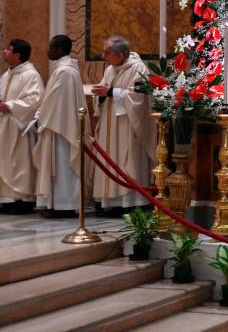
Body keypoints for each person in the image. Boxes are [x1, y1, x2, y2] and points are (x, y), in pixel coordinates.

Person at [91, 36, 155, 213]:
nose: (103, 56)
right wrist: (101, 95)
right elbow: (104, 91)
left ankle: (130, 203)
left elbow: (139, 97)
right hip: (109, 123)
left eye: (107, 52)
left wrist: (111, 91)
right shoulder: (110, 69)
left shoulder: (139, 68)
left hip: (128, 124)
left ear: (120, 55)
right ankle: (109, 203)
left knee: (128, 159)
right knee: (109, 159)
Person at [32, 35, 90, 218]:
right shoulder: (64, 70)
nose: (47, 51)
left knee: (63, 166)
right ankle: (56, 204)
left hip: (61, 129)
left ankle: (63, 205)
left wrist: (41, 118)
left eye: (50, 47)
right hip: (58, 125)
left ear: (59, 50)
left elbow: (57, 103)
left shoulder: (64, 72)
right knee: (59, 166)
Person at [0, 39, 44, 214]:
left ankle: (22, 201)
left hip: (19, 127)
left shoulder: (31, 75)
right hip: (5, 125)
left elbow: (35, 100)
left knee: (19, 163)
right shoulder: (7, 74)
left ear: (17, 55)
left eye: (8, 50)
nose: (4, 52)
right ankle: (6, 199)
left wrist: (9, 106)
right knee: (5, 162)